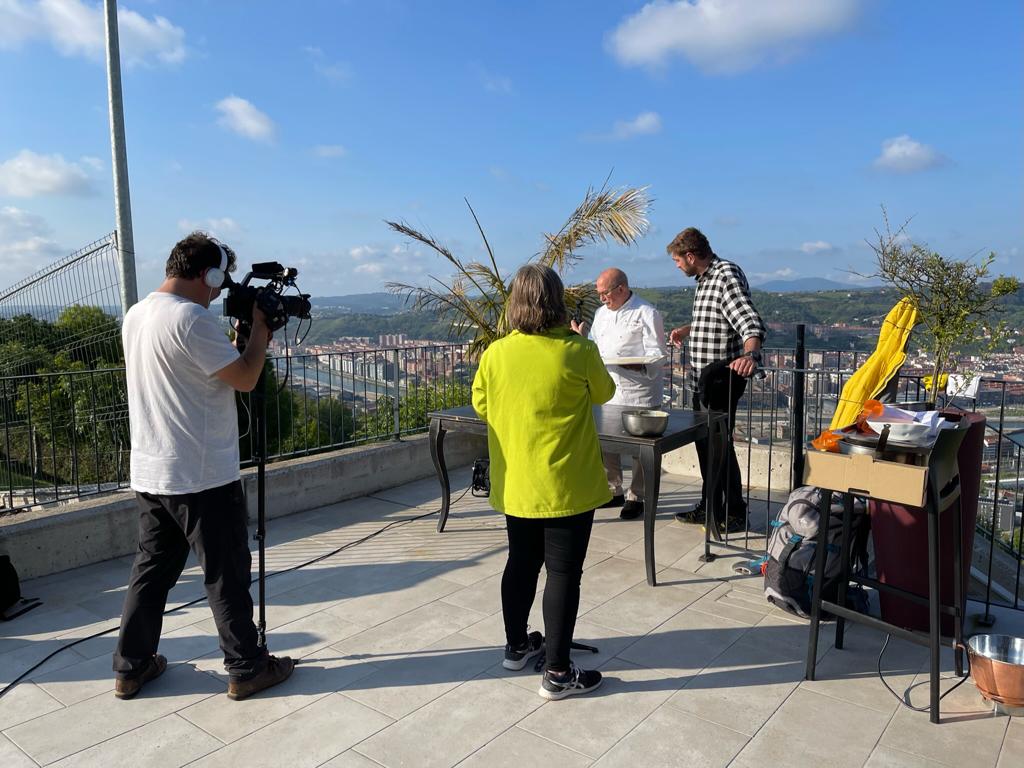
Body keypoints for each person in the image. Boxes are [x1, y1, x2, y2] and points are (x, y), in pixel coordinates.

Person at [112, 232, 294, 701]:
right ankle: (246, 668)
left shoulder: (136, 314)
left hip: (153, 471)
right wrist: (261, 332)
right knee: (226, 574)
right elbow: (247, 378)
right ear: (207, 274)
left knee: (150, 572)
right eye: (220, 279)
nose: (221, 290)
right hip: (201, 474)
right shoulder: (192, 319)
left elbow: (203, 372)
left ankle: (131, 667)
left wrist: (240, 338)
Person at [472, 264, 615, 700]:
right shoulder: (577, 350)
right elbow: (605, 392)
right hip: (568, 486)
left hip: (517, 483)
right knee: (563, 573)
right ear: (556, 301)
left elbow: (481, 403)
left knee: (521, 564)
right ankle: (556, 672)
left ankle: (516, 646)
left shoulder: (496, 354)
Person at [666, 227, 766, 534]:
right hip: (704, 378)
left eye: (677, 260)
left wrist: (750, 356)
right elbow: (717, 319)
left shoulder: (725, 276)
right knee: (708, 446)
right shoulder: (705, 280)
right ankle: (710, 507)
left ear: (691, 256)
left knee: (719, 447)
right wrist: (688, 329)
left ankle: (732, 513)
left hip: (722, 379)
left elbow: (749, 322)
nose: (677, 265)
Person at [571, 268, 667, 520]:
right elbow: (593, 346)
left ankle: (638, 496)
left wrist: (629, 363)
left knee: (640, 451)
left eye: (605, 294)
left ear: (622, 289)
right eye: (600, 294)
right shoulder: (601, 314)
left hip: (639, 393)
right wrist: (581, 338)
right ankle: (613, 490)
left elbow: (657, 356)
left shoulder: (647, 313)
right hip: (607, 390)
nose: (602, 299)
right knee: (607, 445)